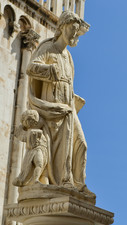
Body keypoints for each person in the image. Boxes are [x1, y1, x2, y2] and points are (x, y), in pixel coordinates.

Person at [26, 11, 91, 195]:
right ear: (62, 27)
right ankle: (63, 180)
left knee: (81, 144)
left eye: (77, 30)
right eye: (72, 28)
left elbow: (67, 83)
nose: (74, 33)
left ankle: (78, 183)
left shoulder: (68, 57)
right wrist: (48, 70)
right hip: (51, 106)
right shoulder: (48, 48)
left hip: (67, 107)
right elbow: (31, 68)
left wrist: (74, 99)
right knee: (58, 148)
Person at [13, 110, 48, 187]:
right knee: (37, 163)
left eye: (32, 120)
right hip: (32, 151)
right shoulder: (27, 132)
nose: (30, 122)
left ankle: (35, 180)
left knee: (40, 164)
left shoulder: (41, 128)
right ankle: (32, 180)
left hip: (41, 149)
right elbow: (22, 137)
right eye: (28, 120)